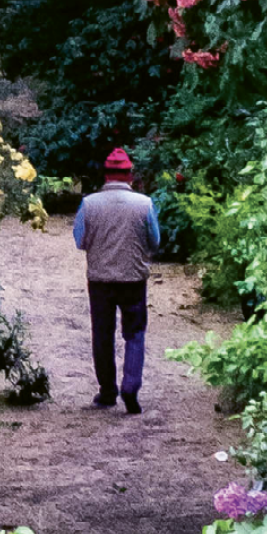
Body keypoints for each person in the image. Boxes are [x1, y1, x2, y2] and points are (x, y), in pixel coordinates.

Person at [73, 147, 160, 411]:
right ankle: (131, 387)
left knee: (102, 334)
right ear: (130, 175)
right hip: (133, 278)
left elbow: (80, 240)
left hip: (100, 279)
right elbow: (154, 241)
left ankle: (107, 391)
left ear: (106, 174)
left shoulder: (89, 204)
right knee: (134, 334)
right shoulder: (144, 204)